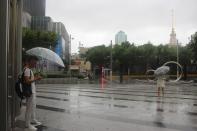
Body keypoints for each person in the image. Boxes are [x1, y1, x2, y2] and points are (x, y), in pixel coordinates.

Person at [23, 56, 42, 130]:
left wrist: (35, 79)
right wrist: (36, 78)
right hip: (30, 92)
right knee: (29, 108)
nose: (35, 64)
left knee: (32, 107)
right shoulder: (27, 70)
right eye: (34, 62)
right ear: (30, 61)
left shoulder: (29, 70)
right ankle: (27, 125)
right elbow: (26, 81)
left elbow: (30, 81)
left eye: (36, 63)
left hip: (32, 91)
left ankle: (32, 120)